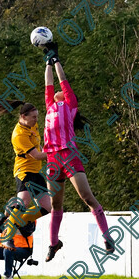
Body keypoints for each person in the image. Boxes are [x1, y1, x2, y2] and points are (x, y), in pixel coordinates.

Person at [35, 41, 113, 262]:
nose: (58, 91)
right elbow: (48, 82)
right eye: (57, 92)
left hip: (68, 154)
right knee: (56, 205)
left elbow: (62, 81)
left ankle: (107, 237)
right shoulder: (50, 104)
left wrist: (57, 60)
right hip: (52, 159)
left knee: (87, 197)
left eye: (61, 92)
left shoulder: (69, 104)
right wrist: (48, 60)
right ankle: (53, 244)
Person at [0, 102, 52, 236]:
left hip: (35, 172)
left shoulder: (32, 125)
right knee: (24, 202)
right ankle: (8, 233)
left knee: (47, 207)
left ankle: (16, 221)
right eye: (33, 117)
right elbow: (37, 156)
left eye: (37, 117)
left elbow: (39, 147)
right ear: (23, 117)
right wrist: (56, 153)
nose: (36, 120)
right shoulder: (19, 135)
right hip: (24, 171)